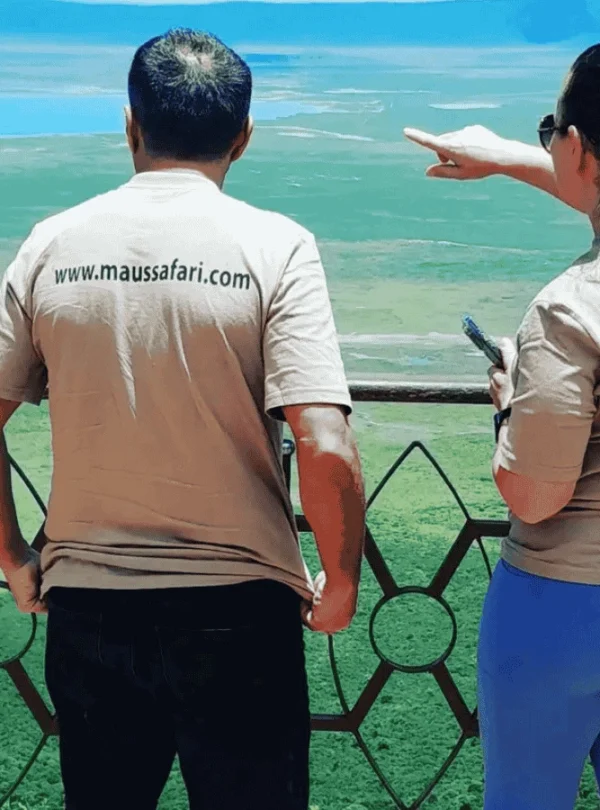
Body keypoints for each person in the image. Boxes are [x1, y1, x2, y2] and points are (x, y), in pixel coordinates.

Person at [0, 29, 366, 810]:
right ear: (243, 134)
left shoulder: (49, 244)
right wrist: (340, 581)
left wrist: (10, 554)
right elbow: (324, 440)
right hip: (241, 612)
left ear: (130, 125)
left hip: (88, 609)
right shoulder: (277, 245)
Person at [405, 44, 600, 810]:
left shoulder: (568, 309)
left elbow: (535, 494)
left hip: (565, 610)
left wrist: (510, 401)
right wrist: (518, 155)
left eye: (553, 130)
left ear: (578, 148)